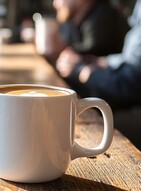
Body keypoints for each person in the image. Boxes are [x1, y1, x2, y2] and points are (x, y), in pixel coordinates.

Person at [56, 0, 141, 148]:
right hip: (122, 93)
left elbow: (132, 82)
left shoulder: (103, 17)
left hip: (129, 103)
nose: (55, 3)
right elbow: (131, 60)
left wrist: (83, 70)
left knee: (70, 126)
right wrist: (99, 62)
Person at [48, 0, 129, 63]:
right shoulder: (71, 22)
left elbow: (91, 53)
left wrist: (61, 49)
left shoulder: (102, 18)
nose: (55, 3)